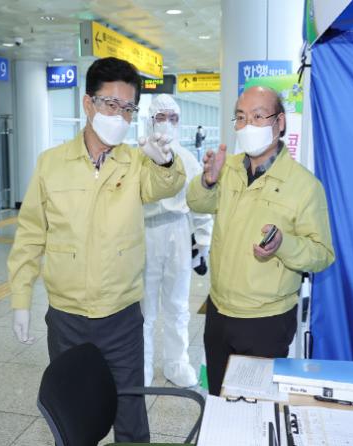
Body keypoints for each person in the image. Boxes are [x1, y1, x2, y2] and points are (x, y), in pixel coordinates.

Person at [7, 57, 186, 442]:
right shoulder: (51, 165)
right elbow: (30, 235)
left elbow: (166, 186)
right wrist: (21, 299)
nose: (119, 116)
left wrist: (166, 162)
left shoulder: (136, 163)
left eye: (128, 108)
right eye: (110, 104)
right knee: (76, 418)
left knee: (131, 416)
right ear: (88, 104)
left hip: (121, 317)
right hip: (67, 319)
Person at [186, 86, 335, 395]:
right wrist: (207, 181)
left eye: (257, 117)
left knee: (257, 407)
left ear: (279, 123)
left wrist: (284, 245)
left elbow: (322, 254)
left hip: (266, 319)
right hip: (219, 310)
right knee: (219, 398)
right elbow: (196, 203)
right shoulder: (227, 168)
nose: (247, 126)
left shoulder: (304, 185)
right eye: (241, 117)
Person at [142, 94, 213, 387]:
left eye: (173, 118)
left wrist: (203, 240)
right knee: (144, 308)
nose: (167, 123)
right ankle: (142, 364)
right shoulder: (138, 156)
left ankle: (176, 362)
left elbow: (200, 200)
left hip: (179, 231)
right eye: (161, 117)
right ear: (150, 120)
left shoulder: (186, 157)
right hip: (145, 232)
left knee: (178, 304)